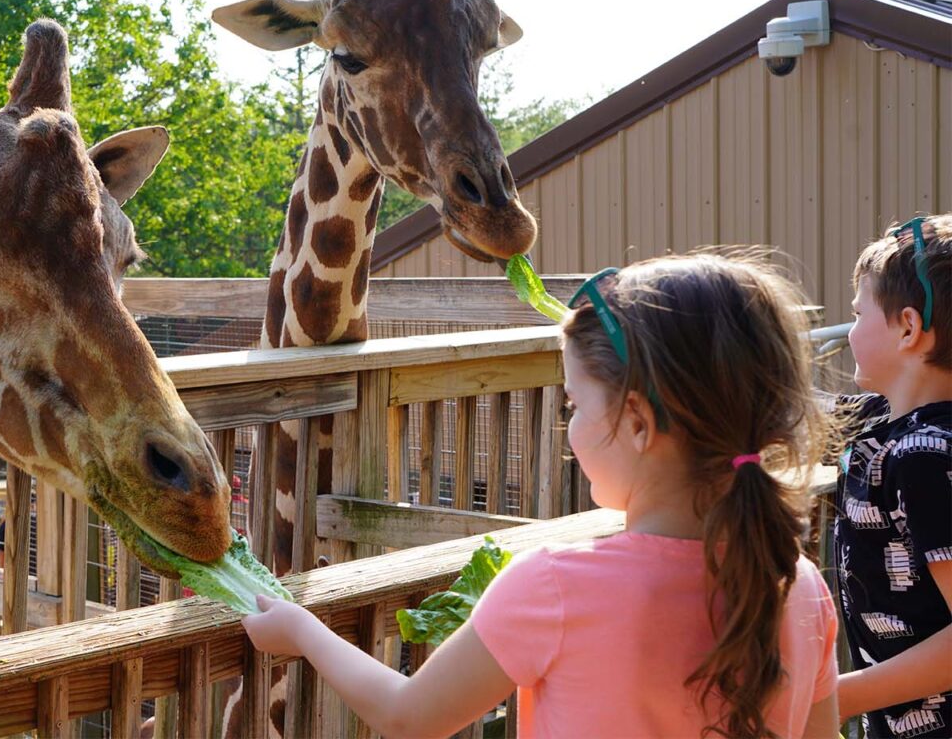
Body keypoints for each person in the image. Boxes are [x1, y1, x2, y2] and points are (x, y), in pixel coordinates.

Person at [243, 253, 841, 738]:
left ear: (636, 422)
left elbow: (409, 717)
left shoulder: (552, 587)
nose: (569, 428)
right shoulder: (800, 585)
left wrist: (301, 630)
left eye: (575, 406)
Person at [834, 215, 952, 738]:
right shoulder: (890, 421)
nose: (850, 330)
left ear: (908, 327)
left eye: (858, 314)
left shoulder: (924, 458)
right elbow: (793, 413)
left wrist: (840, 696)